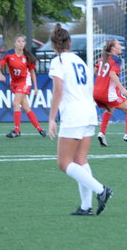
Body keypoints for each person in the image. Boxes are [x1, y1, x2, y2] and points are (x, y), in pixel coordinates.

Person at [47, 25, 112, 216]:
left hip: (74, 114)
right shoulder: (79, 61)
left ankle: (101, 190)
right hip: (88, 111)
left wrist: (52, 118)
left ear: (53, 45)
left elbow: (58, 90)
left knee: (63, 163)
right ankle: (86, 206)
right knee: (80, 159)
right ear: (70, 42)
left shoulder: (58, 61)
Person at [93, 38, 127, 147]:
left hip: (96, 92)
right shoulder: (116, 60)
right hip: (107, 93)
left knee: (110, 109)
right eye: (118, 44)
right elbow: (112, 74)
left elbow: (96, 72)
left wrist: (103, 81)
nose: (121, 47)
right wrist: (123, 89)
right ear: (113, 48)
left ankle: (101, 133)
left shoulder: (102, 59)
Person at [0, 34, 46, 138]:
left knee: (15, 103)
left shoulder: (27, 57)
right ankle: (40, 129)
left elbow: (32, 72)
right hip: (14, 83)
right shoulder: (9, 55)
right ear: (14, 43)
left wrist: (36, 87)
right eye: (18, 41)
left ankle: (17, 130)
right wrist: (0, 75)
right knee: (26, 107)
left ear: (25, 44)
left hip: (25, 82)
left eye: (23, 41)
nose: (21, 43)